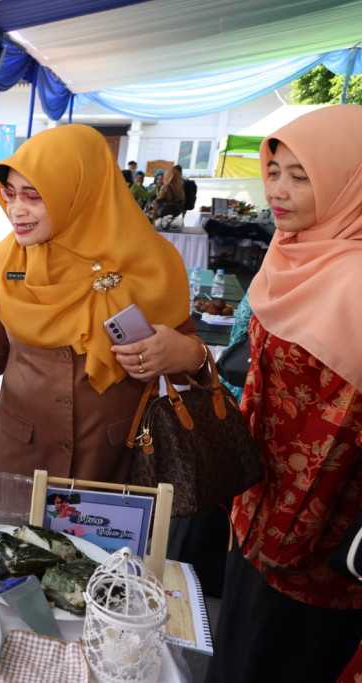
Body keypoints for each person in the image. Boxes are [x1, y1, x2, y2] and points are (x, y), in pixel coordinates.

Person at [0, 124, 208, 484]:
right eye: (10, 194)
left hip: (113, 462)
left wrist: (183, 354)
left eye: (33, 195)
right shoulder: (3, 266)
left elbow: (191, 365)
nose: (15, 210)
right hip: (19, 460)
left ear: (79, 192)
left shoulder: (151, 264)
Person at [206, 104, 362, 683]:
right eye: (275, 170)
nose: (279, 189)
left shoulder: (352, 282)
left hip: (307, 553)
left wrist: (279, 540)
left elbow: (336, 434)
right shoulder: (293, 250)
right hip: (256, 513)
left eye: (303, 176)